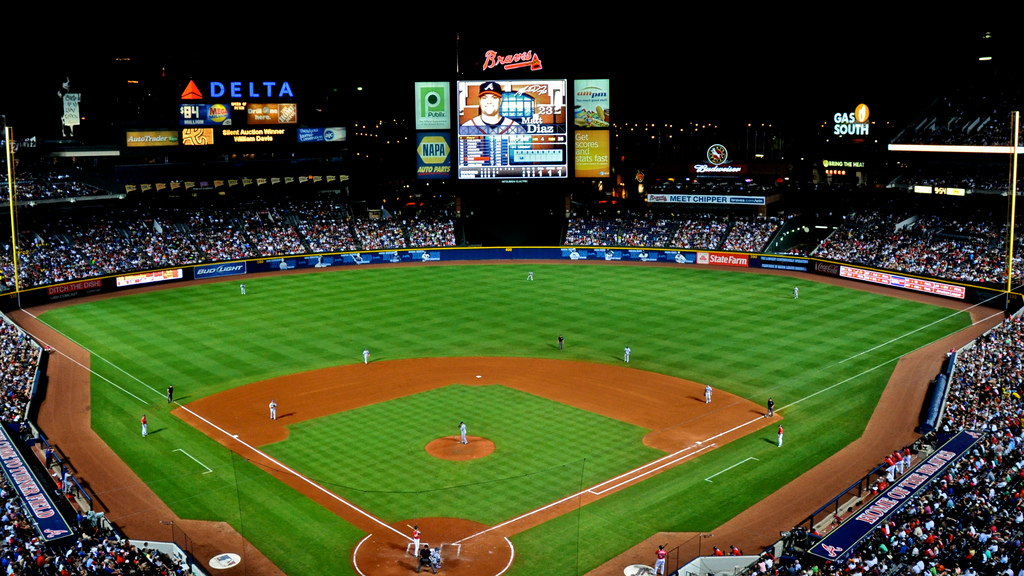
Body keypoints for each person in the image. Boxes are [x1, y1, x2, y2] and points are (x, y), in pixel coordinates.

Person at [459, 82, 525, 135]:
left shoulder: (517, 128)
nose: (489, 102)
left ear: (500, 100)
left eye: (494, 97)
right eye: (484, 98)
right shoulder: (465, 128)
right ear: (480, 101)